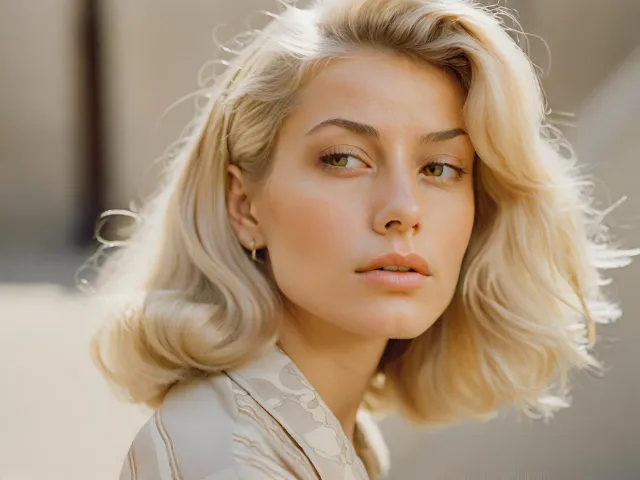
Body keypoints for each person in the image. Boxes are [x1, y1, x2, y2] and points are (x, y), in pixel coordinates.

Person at [83, 0, 637, 478]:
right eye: (344, 159)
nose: (402, 210)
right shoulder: (226, 459)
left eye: (440, 167)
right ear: (244, 204)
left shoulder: (327, 436)